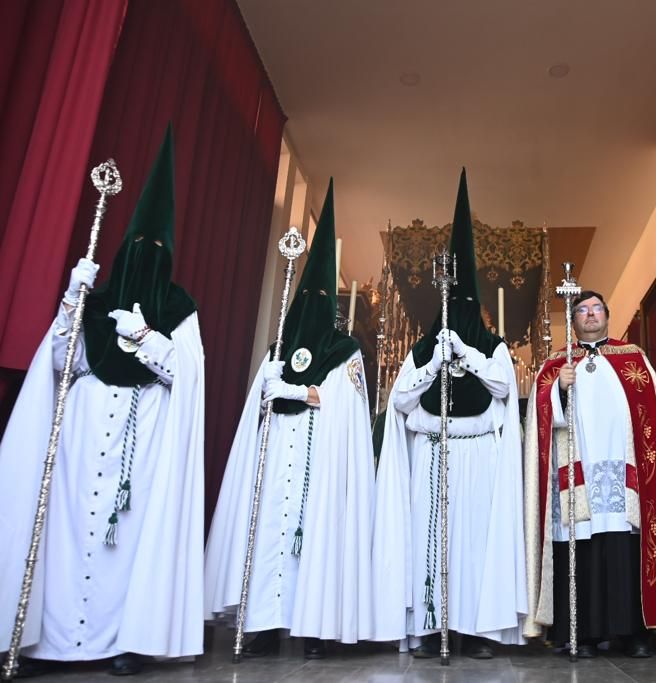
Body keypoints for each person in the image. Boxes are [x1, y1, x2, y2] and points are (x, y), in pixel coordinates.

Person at [0, 128, 205, 677]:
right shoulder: (97, 298)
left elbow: (186, 375)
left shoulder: (180, 307)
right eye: (139, 250)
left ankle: (125, 640)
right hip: (83, 434)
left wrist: (145, 336)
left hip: (144, 431)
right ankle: (51, 643)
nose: (146, 260)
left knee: (128, 541)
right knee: (65, 537)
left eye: (156, 252)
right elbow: (65, 361)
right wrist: (72, 298)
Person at [205, 180, 374, 658]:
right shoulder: (278, 348)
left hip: (320, 453)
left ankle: (312, 624)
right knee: (267, 532)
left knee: (311, 532)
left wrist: (296, 390)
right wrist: (269, 386)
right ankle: (262, 623)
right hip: (278, 447)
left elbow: (342, 401)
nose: (314, 306)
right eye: (309, 297)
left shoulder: (346, 351)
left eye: (324, 298)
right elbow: (258, 403)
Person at [371, 169, 526, 658]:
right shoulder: (422, 346)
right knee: (427, 540)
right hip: (432, 452)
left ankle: (475, 629)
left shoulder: (491, 346)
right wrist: (434, 360)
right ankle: (430, 625)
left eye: (464, 305)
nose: (456, 312)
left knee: (475, 543)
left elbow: (504, 386)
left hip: (478, 452)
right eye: (450, 307)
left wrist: (467, 353)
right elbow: (399, 402)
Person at [524, 290, 656, 658]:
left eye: (595, 309)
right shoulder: (556, 364)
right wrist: (558, 389)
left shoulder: (632, 357)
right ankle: (581, 634)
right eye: (581, 310)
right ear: (573, 321)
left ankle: (633, 635)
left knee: (624, 550)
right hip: (575, 479)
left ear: (607, 314)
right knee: (580, 550)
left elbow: (654, 416)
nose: (590, 315)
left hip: (624, 476)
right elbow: (538, 420)